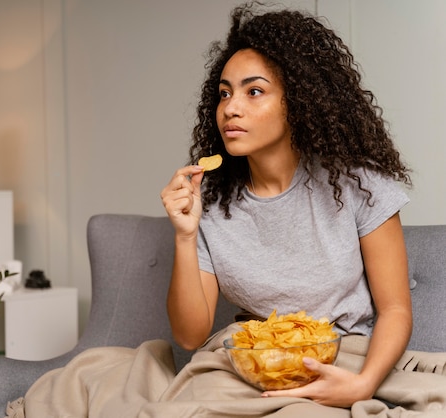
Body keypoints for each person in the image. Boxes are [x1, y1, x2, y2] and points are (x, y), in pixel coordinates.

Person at [160, 2, 413, 409]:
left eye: (253, 91)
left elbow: (396, 308)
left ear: (298, 101)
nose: (230, 108)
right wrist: (184, 236)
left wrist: (362, 384)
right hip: (248, 366)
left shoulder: (358, 185)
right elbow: (190, 336)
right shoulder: (208, 200)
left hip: (344, 361)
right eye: (224, 93)